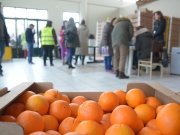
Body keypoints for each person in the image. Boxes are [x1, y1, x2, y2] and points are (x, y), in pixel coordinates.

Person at [0, 2, 10, 76]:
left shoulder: (1, 16)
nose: (1, 8)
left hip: (3, 39)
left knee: (1, 54)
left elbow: (4, 28)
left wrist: (7, 36)